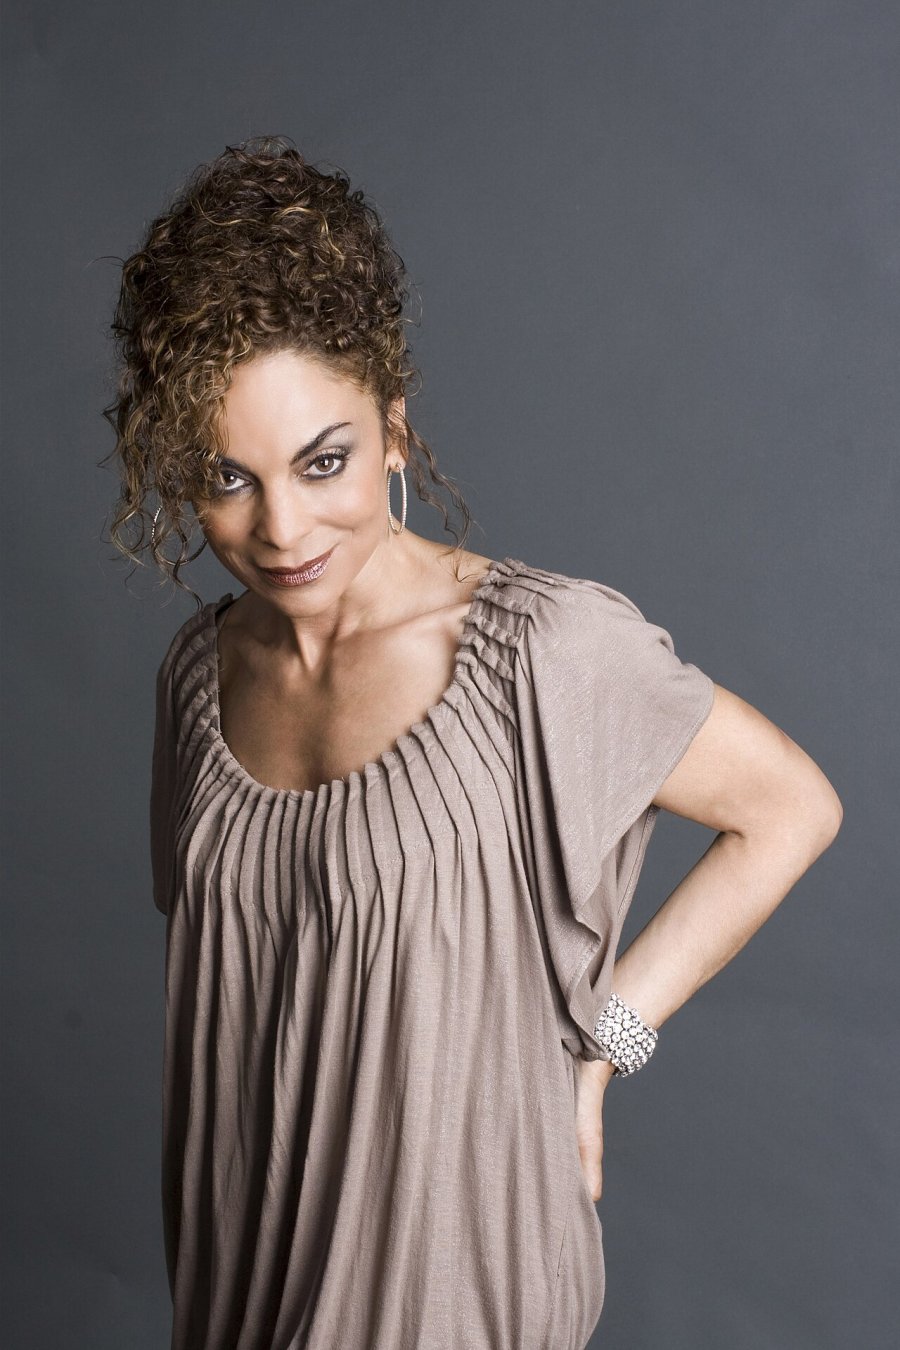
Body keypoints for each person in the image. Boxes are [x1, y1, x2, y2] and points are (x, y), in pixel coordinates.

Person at [104, 136, 843, 1350]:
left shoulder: (540, 652)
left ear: (394, 430)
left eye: (324, 462)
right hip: (239, 1296)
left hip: (451, 1298)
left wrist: (602, 1047)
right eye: (226, 478)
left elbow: (792, 808)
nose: (281, 528)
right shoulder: (199, 675)